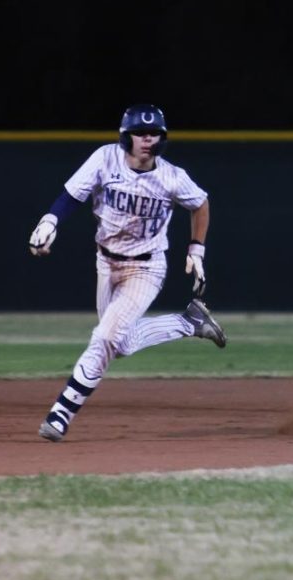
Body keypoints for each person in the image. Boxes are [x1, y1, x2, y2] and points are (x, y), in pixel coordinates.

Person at [27, 104, 227, 442]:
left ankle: (62, 411)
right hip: (106, 262)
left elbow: (201, 203)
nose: (147, 139)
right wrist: (50, 221)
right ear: (126, 136)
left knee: (104, 338)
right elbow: (72, 196)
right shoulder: (105, 159)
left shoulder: (171, 177)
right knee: (118, 344)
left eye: (154, 134)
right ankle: (188, 322)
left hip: (146, 267)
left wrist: (197, 248)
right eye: (140, 133)